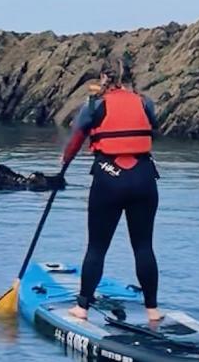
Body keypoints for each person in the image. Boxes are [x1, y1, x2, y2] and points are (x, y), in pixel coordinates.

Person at [58, 57, 161, 325]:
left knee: (97, 247)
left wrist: (64, 163)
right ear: (129, 78)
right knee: (143, 246)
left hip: (108, 179)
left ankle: (82, 307)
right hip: (144, 178)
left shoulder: (94, 105)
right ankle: (152, 310)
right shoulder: (145, 102)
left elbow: (76, 138)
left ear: (104, 77)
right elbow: (152, 128)